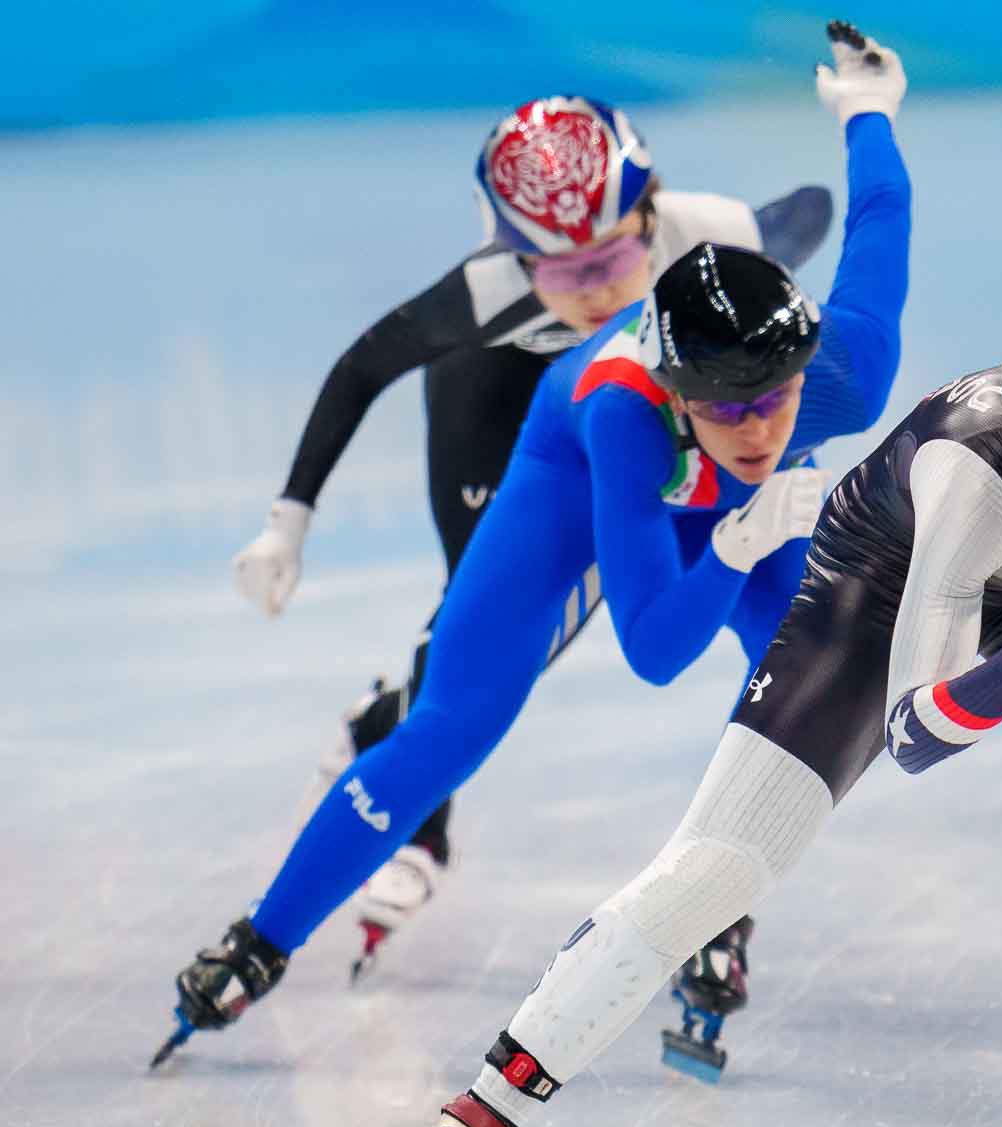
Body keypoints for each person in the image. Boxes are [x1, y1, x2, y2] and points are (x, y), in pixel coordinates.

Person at [353, 297, 1002, 1127]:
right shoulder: (975, 480)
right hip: (880, 599)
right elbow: (914, 733)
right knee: (720, 870)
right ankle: (481, 1112)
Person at [153, 21, 911, 1070]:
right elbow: (650, 649)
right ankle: (257, 940)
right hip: (568, 483)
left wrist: (869, 112)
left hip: (714, 458)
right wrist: (734, 547)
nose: (755, 432)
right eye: (724, 411)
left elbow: (878, 218)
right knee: (449, 727)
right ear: (677, 392)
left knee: (797, 690)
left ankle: (715, 906)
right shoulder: (620, 413)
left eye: (776, 403)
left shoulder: (847, 371)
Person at [231, 90, 835, 977]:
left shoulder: (711, 235)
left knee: (704, 611)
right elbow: (362, 369)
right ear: (512, 255)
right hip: (504, 401)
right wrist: (288, 522)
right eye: (559, 270)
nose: (594, 289)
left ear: (654, 208)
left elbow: (807, 214)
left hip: (646, 407)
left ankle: (389, 727)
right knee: (483, 640)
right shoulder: (481, 296)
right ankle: (415, 807)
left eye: (616, 255)